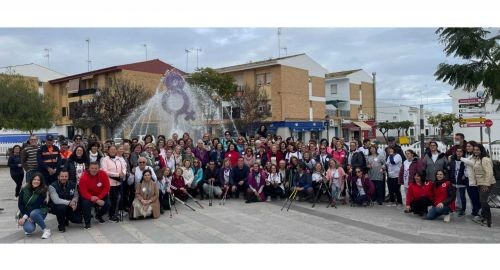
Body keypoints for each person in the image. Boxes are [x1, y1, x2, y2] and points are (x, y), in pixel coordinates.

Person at [462, 144, 495, 227]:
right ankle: (484, 217)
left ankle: (488, 220)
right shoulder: (477, 158)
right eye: (475, 150)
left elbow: (489, 172)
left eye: (478, 150)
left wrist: (486, 185)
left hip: (486, 183)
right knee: (482, 201)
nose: (476, 151)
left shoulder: (484, 159)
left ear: (481, 150)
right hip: (480, 183)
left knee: (483, 201)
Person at [17, 173, 51, 239]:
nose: (36, 181)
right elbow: (20, 204)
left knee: (34, 213)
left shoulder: (43, 190)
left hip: (39, 211)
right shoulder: (24, 189)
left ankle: (46, 230)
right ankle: (31, 222)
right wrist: (25, 216)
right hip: (27, 213)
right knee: (29, 229)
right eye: (34, 179)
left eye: (38, 180)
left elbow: (36, 206)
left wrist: (24, 218)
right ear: (31, 180)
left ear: (41, 182)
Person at [78, 162, 111, 229]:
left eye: (96, 168)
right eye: (92, 168)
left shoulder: (103, 174)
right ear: (89, 168)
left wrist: (98, 198)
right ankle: (87, 222)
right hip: (88, 196)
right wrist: (95, 199)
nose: (94, 170)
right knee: (86, 204)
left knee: (108, 204)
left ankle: (98, 216)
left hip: (100, 195)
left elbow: (106, 188)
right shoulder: (83, 177)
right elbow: (83, 192)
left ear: (99, 168)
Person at [101, 145, 126, 223]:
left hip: (118, 182)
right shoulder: (105, 159)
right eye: (111, 150)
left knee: (117, 199)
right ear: (108, 151)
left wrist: (123, 173)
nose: (113, 151)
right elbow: (105, 171)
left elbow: (124, 167)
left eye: (114, 149)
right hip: (109, 183)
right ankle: (110, 215)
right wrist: (117, 175)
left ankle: (114, 213)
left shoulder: (119, 159)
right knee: (111, 200)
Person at [448, 148, 467, 216]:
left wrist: (465, 175)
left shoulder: (465, 160)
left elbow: (467, 169)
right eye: (457, 151)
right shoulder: (452, 160)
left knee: (462, 196)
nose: (459, 153)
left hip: (461, 181)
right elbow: (450, 170)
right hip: (453, 181)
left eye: (460, 151)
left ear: (463, 153)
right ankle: (451, 208)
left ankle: (463, 209)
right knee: (452, 196)